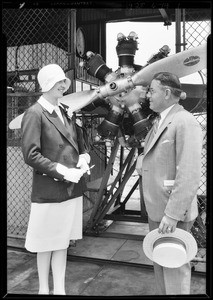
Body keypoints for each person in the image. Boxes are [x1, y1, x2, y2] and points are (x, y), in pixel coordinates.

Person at [21, 64, 91, 295]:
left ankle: (59, 289)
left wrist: (83, 156)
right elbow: (31, 155)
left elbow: (78, 142)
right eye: (59, 82)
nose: (64, 85)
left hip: (70, 189)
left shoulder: (65, 110)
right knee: (45, 243)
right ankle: (43, 289)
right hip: (50, 189)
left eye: (64, 81)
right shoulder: (35, 113)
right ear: (48, 84)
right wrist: (61, 170)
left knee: (62, 241)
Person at [136, 72, 203, 295]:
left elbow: (189, 173)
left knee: (174, 269)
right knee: (162, 265)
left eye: (152, 91)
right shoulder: (160, 120)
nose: (147, 96)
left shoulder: (185, 122)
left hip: (171, 213)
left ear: (166, 93)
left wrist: (173, 214)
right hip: (158, 210)